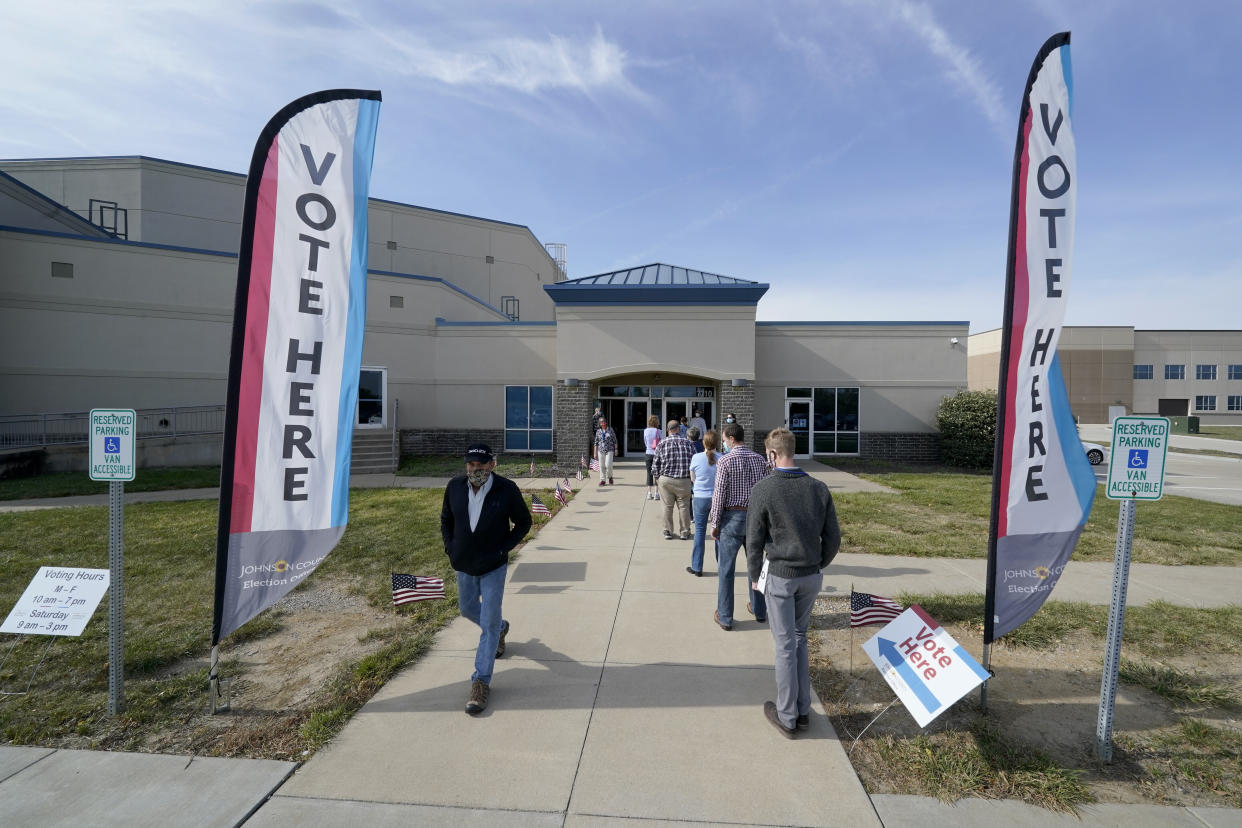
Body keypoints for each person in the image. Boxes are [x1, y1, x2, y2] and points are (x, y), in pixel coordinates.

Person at [746, 427, 840, 738]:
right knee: (799, 639)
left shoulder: (764, 488)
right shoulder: (819, 488)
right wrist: (817, 563)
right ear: (793, 451)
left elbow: (754, 540)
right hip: (810, 576)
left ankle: (787, 716)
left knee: (785, 645)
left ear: (771, 454)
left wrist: (756, 577)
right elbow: (833, 539)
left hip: (781, 577)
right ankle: (801, 710)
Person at [440, 443, 532, 715]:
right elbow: (446, 519)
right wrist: (450, 547)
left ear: (492, 464)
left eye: (480, 465)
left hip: (493, 566)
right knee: (467, 609)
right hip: (464, 564)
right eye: (470, 465)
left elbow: (523, 522)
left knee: (487, 624)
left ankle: (481, 682)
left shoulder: (506, 489)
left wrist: (504, 547)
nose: (475, 470)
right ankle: (501, 627)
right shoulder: (455, 487)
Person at [707, 421, 768, 631]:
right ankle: (760, 610)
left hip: (731, 518)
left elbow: (719, 494)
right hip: (755, 519)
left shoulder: (725, 461)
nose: (723, 444)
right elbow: (766, 493)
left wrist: (714, 523)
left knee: (726, 569)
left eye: (724, 440)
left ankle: (725, 616)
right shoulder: (760, 460)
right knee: (756, 567)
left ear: (732, 439)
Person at [651, 420, 694, 540]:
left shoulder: (662, 443)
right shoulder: (688, 443)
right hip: (684, 480)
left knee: (667, 506)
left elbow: (655, 465)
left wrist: (658, 478)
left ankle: (667, 531)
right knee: (684, 506)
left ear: (667, 430)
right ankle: (684, 532)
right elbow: (694, 463)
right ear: (679, 429)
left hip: (666, 479)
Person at [687, 429, 720, 577]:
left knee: (699, 532)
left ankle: (697, 566)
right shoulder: (722, 458)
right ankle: (722, 566)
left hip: (700, 497)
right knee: (718, 533)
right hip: (717, 498)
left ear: (703, 443)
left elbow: (692, 478)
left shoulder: (696, 457)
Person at [593, 416, 618, 486]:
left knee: (608, 465)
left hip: (609, 450)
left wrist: (616, 449)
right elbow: (596, 443)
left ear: (605, 422)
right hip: (600, 451)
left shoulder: (610, 430)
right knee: (601, 466)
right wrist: (595, 453)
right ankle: (603, 480)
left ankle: (610, 477)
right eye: (601, 422)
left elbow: (615, 440)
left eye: (603, 421)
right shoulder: (598, 432)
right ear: (599, 424)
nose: (602, 422)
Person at [643, 415, 661, 500]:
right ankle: (656, 493)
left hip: (648, 453)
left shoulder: (645, 431)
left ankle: (649, 493)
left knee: (649, 473)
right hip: (657, 453)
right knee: (657, 474)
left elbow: (646, 442)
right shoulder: (658, 431)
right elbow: (660, 443)